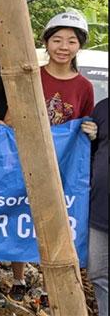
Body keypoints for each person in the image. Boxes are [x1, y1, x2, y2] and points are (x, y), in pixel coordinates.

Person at [5, 10, 98, 302]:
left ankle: (49, 286)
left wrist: (91, 130)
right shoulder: (31, 75)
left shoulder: (84, 86)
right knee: (22, 214)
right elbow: (10, 118)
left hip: (62, 169)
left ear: (79, 46)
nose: (63, 46)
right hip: (25, 161)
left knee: (57, 223)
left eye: (71, 41)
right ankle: (18, 277)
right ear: (46, 43)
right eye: (57, 39)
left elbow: (84, 124)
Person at [89, 97, 108, 316]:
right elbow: (88, 154)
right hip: (99, 209)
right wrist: (91, 136)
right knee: (99, 274)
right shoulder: (102, 108)